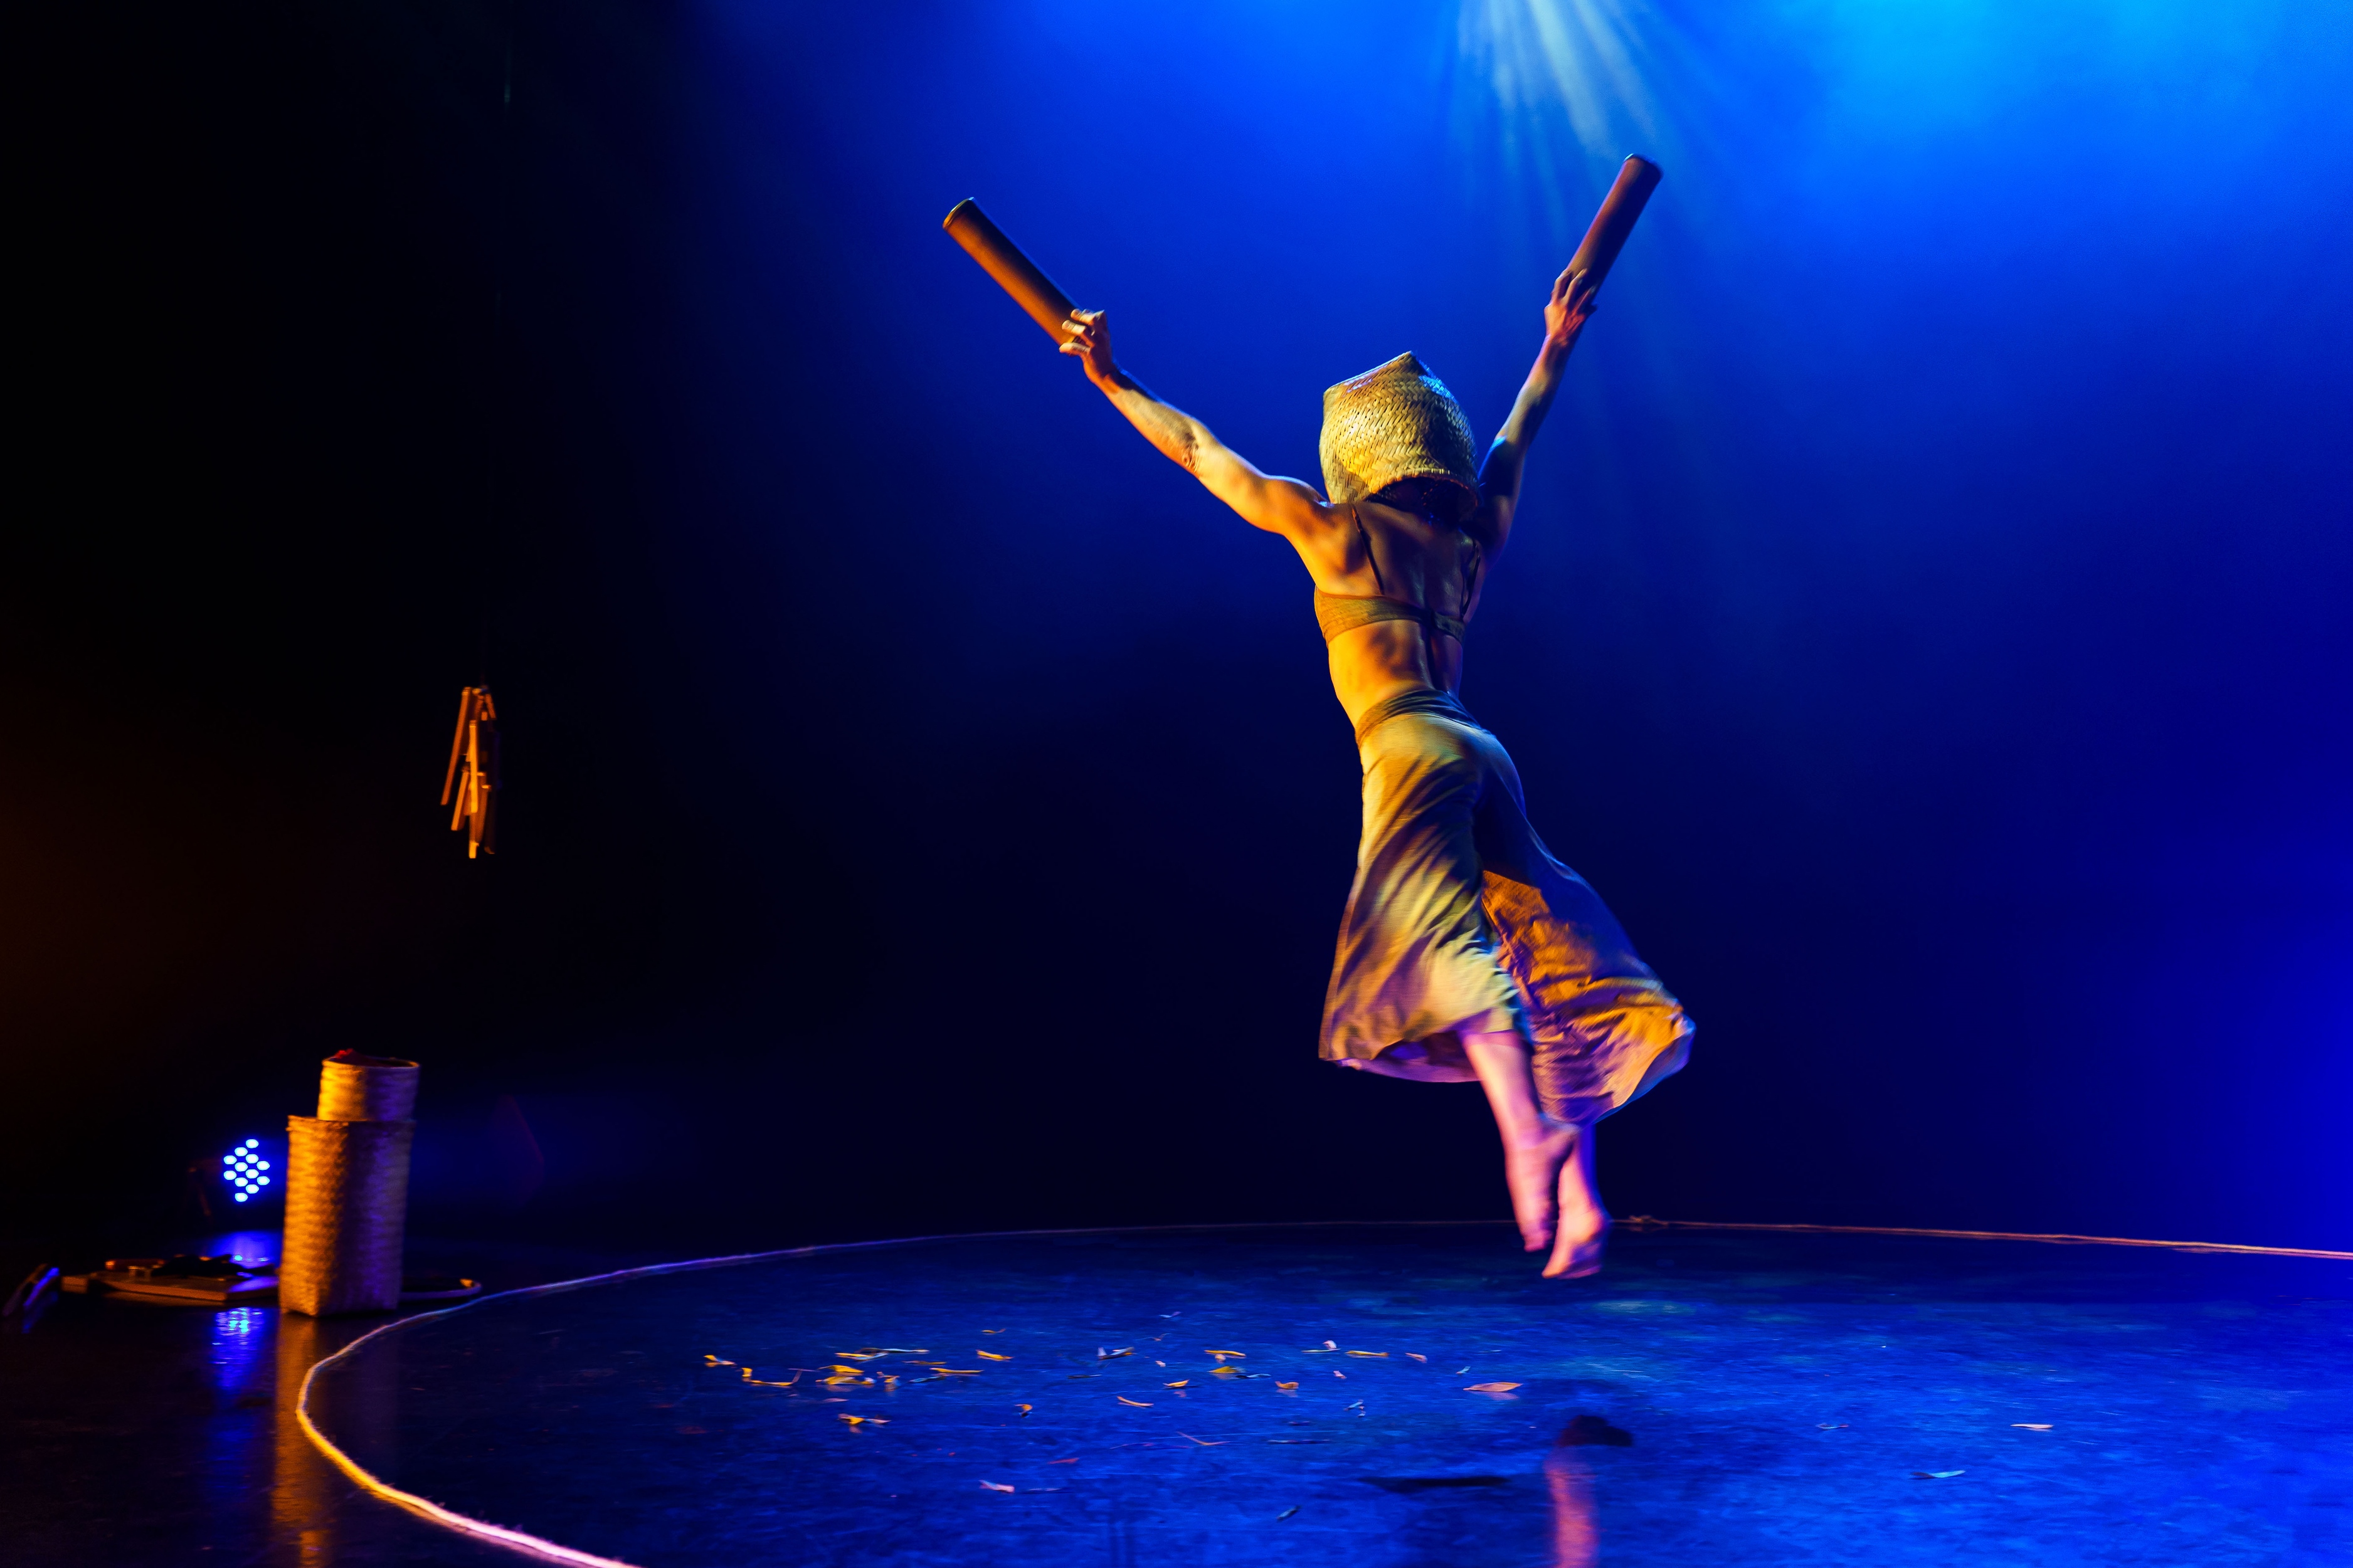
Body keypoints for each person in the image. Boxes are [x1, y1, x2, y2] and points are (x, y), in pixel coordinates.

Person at [1058, 265, 1691, 1277]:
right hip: (1483, 748)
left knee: (1441, 938)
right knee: (1543, 957)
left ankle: (1527, 1134)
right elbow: (1515, 440)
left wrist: (1112, 377)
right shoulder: (1470, 542)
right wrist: (1556, 342)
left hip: (1407, 745)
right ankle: (1579, 1197)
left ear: (1358, 457)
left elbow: (1199, 451)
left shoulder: (1334, 530)